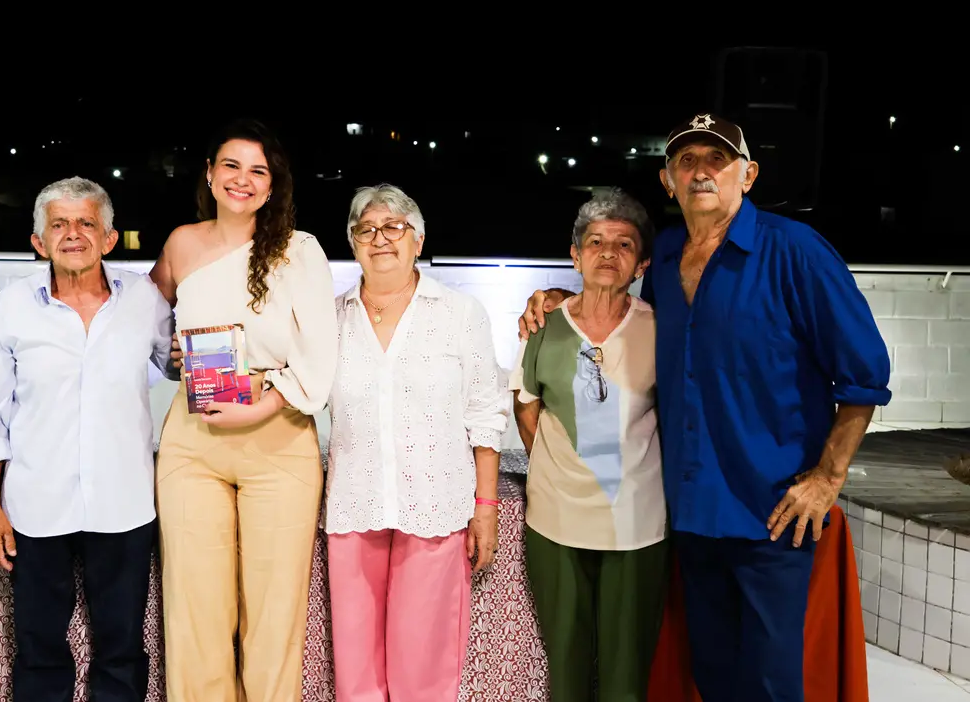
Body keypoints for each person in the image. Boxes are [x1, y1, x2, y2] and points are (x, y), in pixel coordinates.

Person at [518, 114, 891, 702]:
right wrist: (564, 297)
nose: (701, 172)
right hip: (689, 515)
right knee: (711, 677)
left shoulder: (796, 252)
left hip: (770, 515)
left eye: (717, 159)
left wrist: (828, 476)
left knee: (771, 683)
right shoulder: (666, 256)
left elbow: (865, 376)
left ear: (749, 174)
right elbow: (621, 313)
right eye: (686, 161)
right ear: (667, 181)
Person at [150, 119, 338, 702]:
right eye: (231, 165)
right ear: (209, 174)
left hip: (278, 433)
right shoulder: (181, 243)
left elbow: (321, 350)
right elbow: (143, 323)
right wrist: (170, 354)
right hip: (193, 438)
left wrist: (264, 406)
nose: (243, 179)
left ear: (272, 184)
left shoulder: (300, 250)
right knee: (195, 608)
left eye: (259, 170)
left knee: (274, 611)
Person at [0, 177, 175, 702]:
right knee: (39, 650)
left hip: (124, 504)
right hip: (36, 505)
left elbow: (176, 362)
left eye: (87, 222)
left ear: (109, 238)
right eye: (59, 224)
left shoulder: (144, 299)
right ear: (39, 242)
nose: (73, 234)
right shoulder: (12, 307)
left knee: (122, 648)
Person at [325, 184, 508, 702]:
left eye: (394, 227)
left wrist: (486, 506)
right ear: (353, 242)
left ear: (418, 239)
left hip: (434, 507)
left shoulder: (459, 312)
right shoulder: (330, 318)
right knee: (356, 670)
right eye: (366, 229)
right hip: (355, 506)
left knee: (422, 666)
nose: (380, 238)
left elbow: (485, 414)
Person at [512, 189, 666, 702]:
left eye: (624, 244)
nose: (607, 253)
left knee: (626, 674)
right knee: (566, 666)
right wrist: (557, 471)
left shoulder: (659, 330)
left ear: (642, 264)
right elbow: (527, 408)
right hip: (555, 521)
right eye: (595, 241)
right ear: (575, 255)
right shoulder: (543, 325)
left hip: (637, 523)